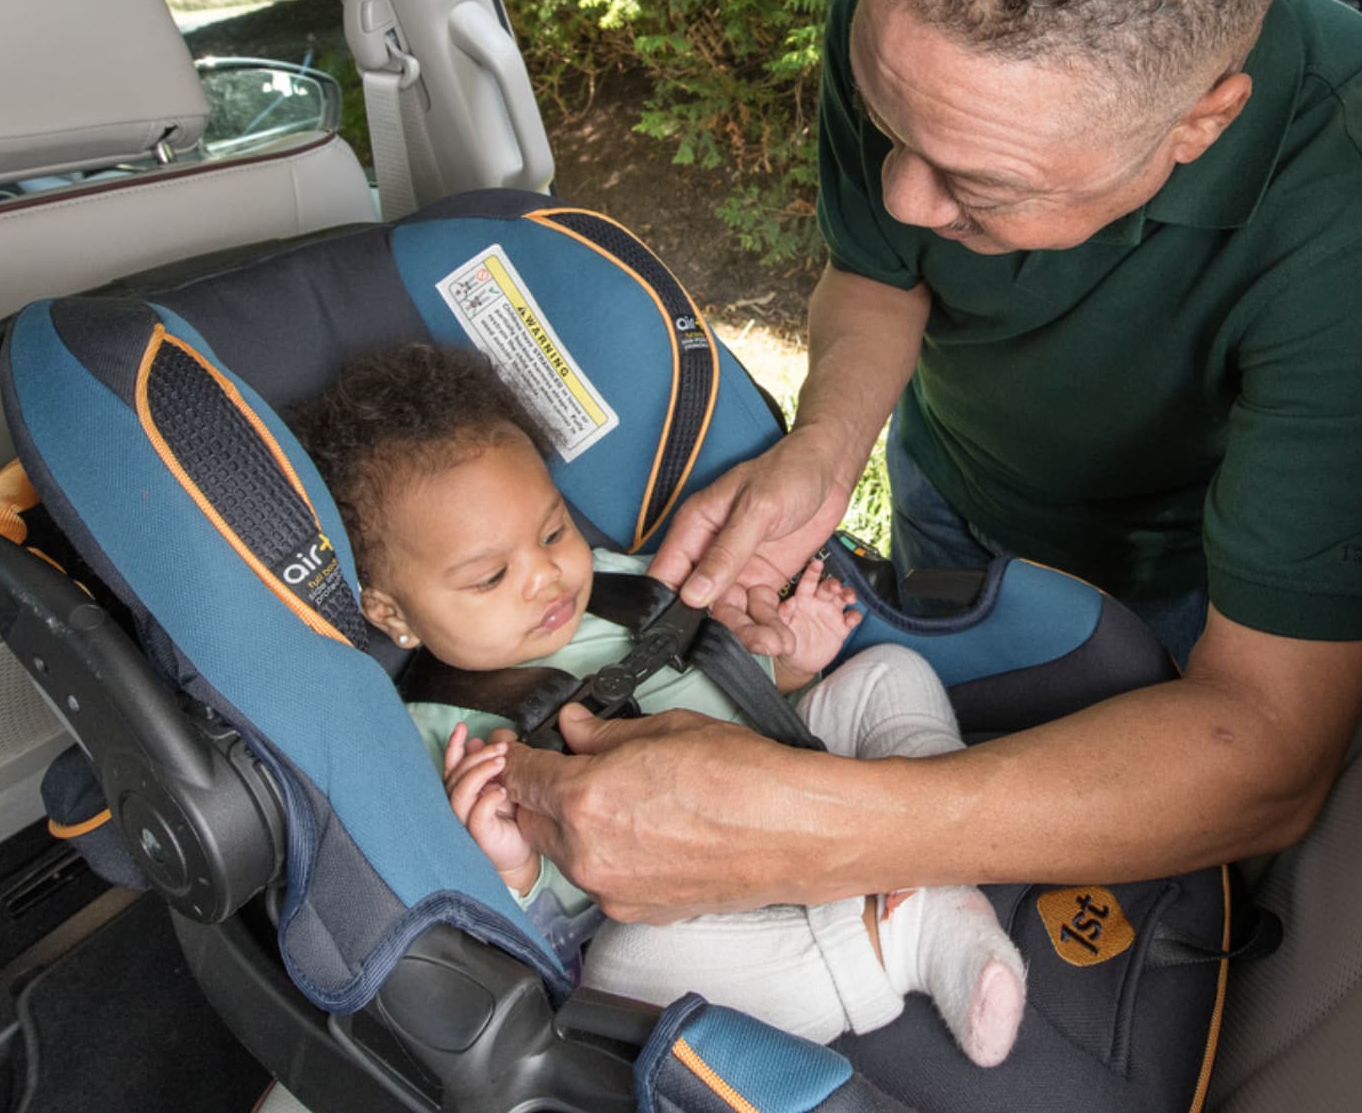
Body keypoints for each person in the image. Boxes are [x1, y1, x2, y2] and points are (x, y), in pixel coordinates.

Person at [499, 0, 1362, 924]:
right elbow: (876, 273)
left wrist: (800, 834)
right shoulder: (916, 31)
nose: (908, 199)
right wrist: (826, 446)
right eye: (888, 127)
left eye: (982, 186)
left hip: (1176, 574)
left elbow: (1264, 750)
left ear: (1198, 126)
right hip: (946, 477)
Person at [288, 343, 1029, 1066]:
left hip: (802, 783)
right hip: (689, 905)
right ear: (394, 616)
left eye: (554, 532)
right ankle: (903, 936)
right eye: (489, 577)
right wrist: (511, 875)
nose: (546, 576)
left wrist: (784, 661)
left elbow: (730, 687)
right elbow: (521, 950)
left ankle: (933, 853)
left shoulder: (617, 585)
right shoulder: (440, 738)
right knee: (631, 969)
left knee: (887, 675)